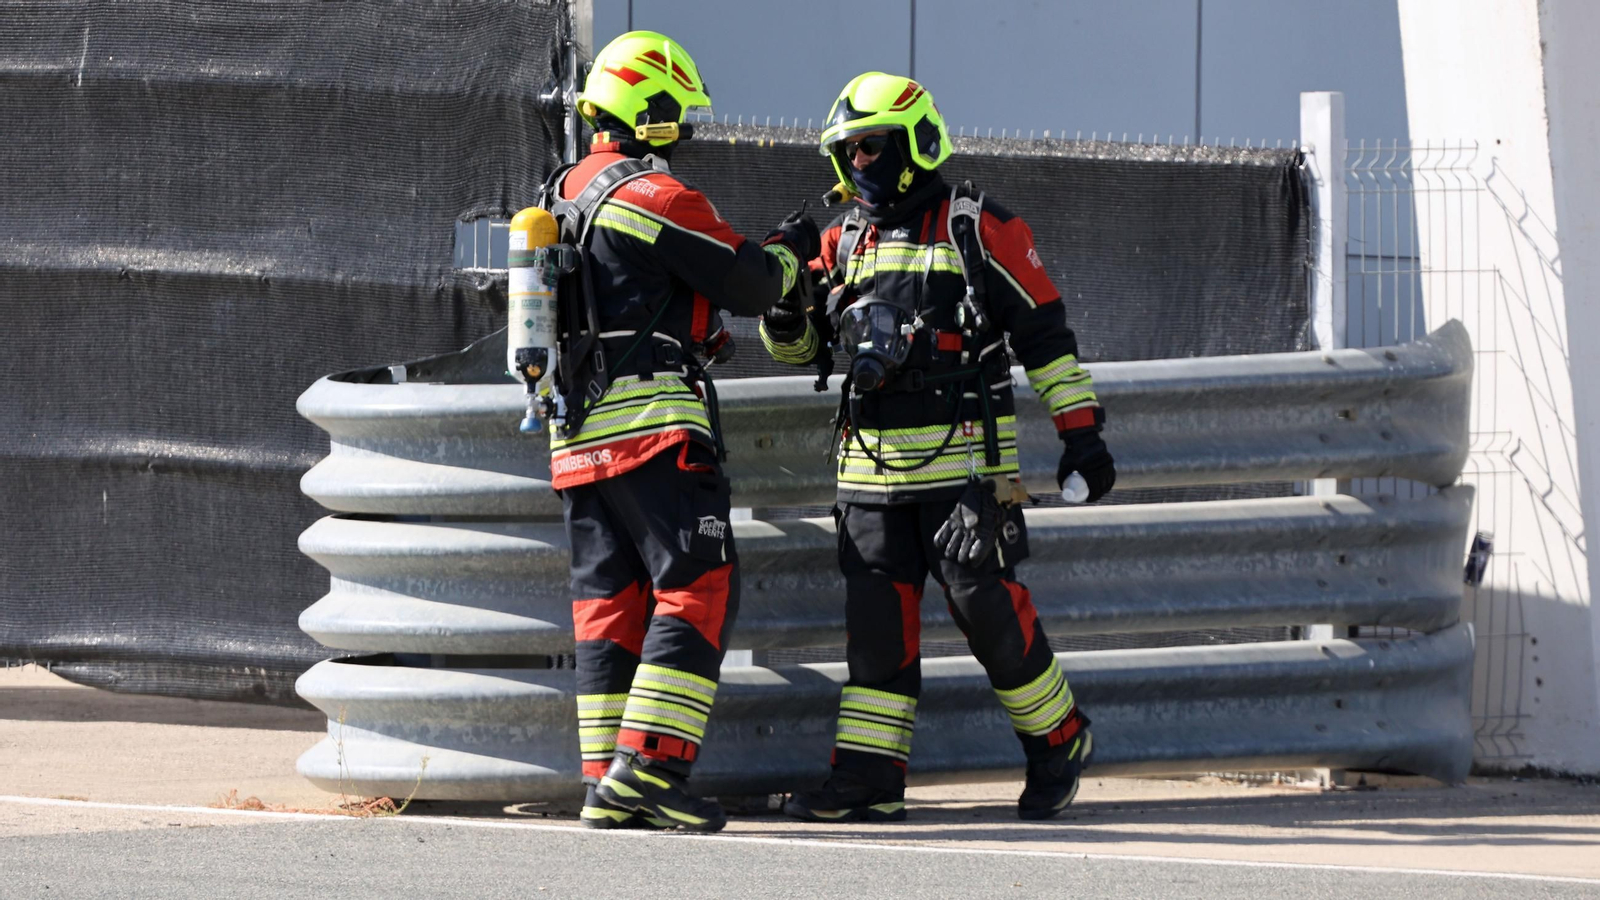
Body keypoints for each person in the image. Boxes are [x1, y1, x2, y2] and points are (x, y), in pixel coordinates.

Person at [760, 72, 1115, 822]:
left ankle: (1059, 738)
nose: (858, 165)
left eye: (871, 147)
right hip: (867, 476)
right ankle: (868, 781)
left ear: (917, 144)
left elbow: (1046, 339)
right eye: (847, 151)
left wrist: (1082, 436)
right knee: (876, 635)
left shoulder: (978, 225)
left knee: (987, 607)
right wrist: (783, 294)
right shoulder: (839, 240)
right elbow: (796, 354)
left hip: (967, 471)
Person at [546, 30, 819, 833]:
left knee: (608, 605)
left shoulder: (560, 190)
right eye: (675, 112)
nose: (683, 127)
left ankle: (608, 779)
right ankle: (655, 768)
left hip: (578, 438)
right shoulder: (654, 197)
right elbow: (752, 281)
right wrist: (794, 254)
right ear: (648, 109)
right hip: (656, 430)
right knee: (697, 587)